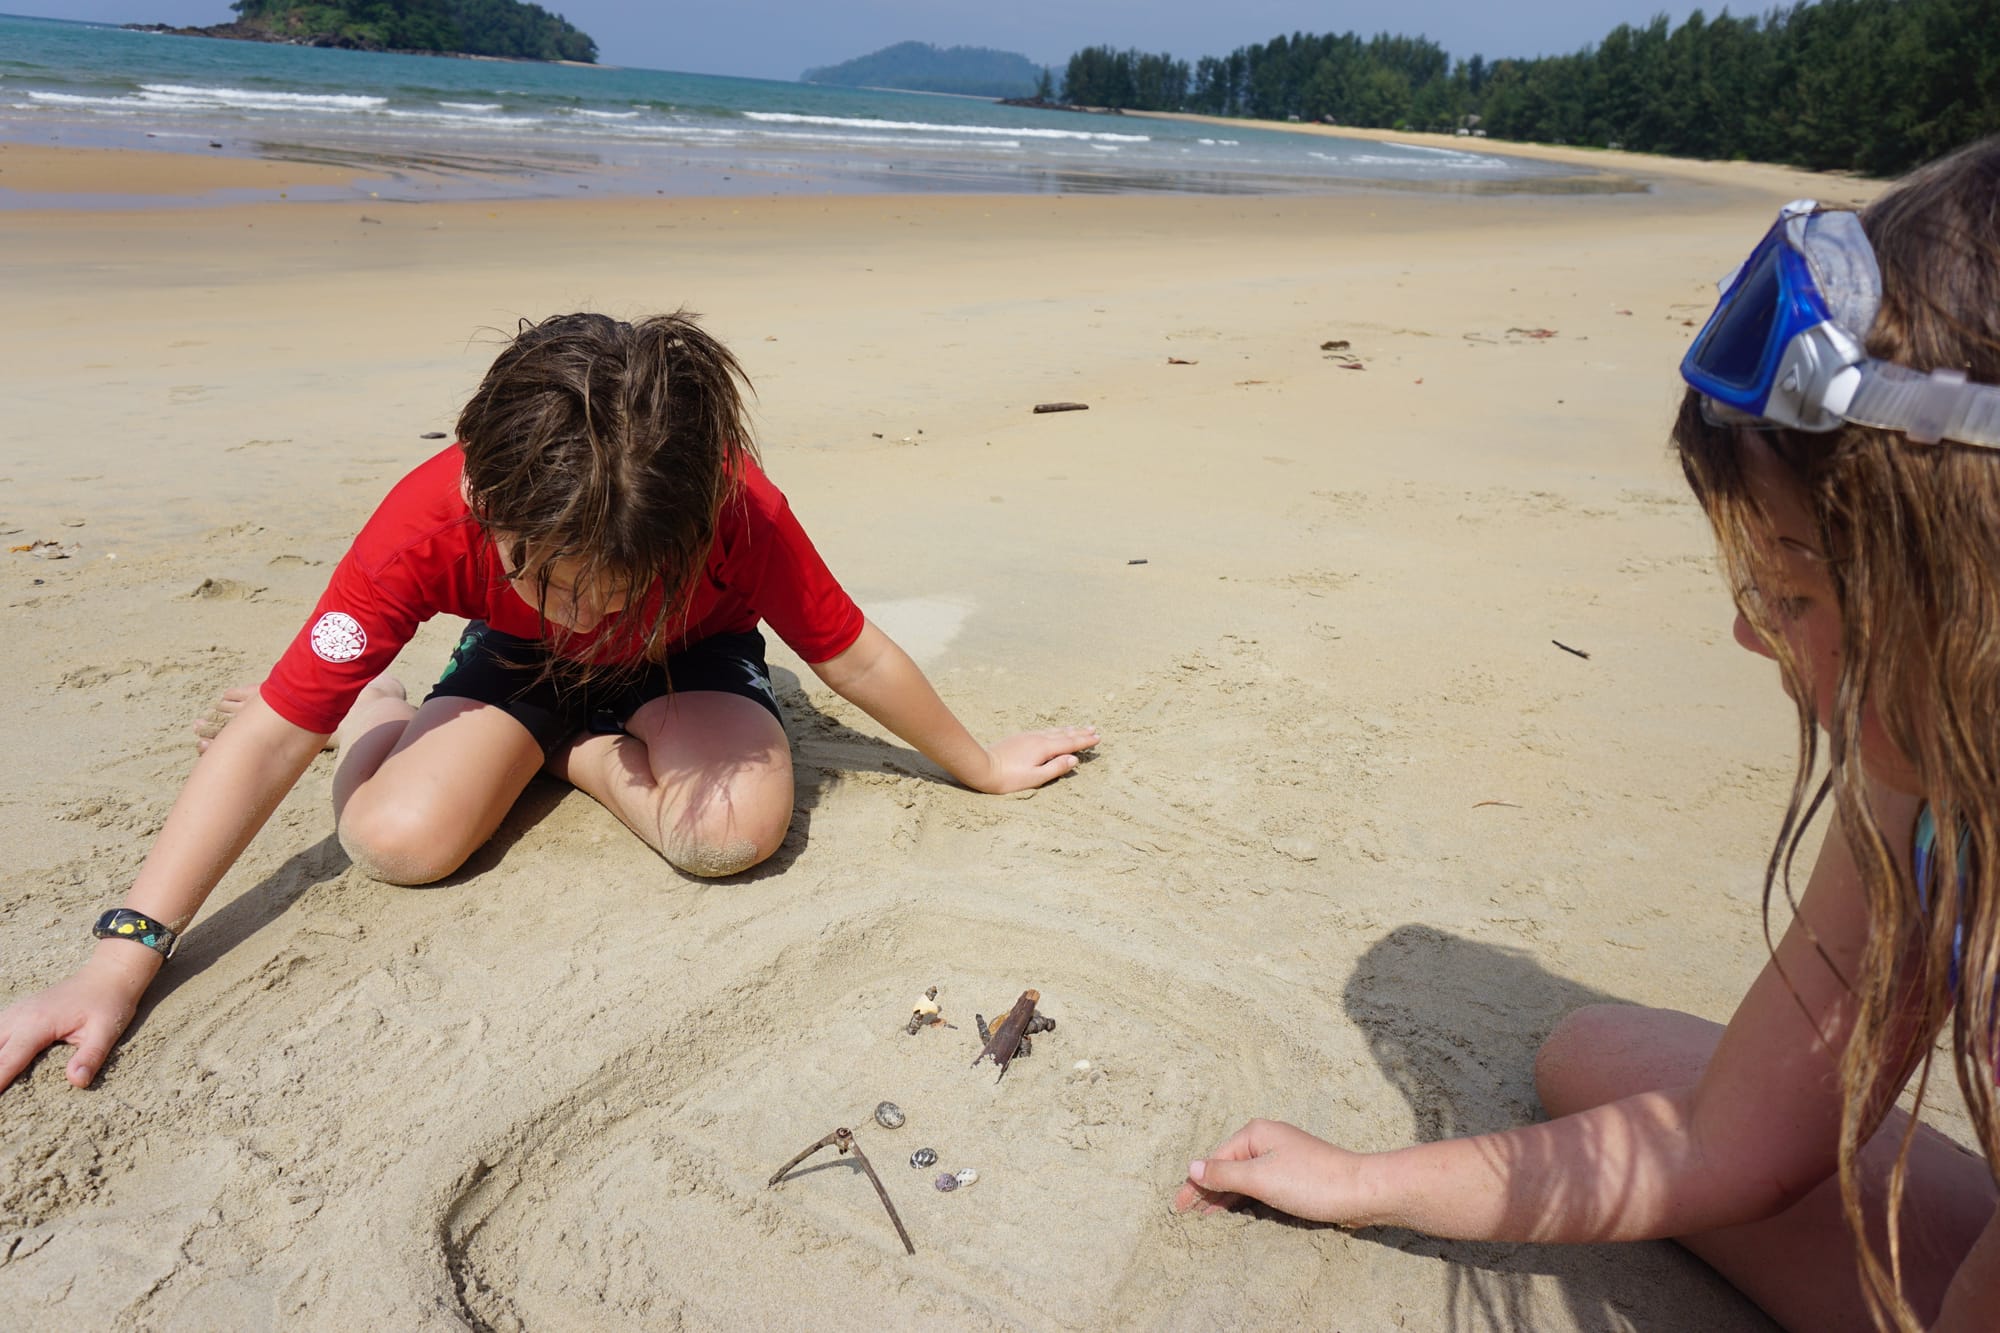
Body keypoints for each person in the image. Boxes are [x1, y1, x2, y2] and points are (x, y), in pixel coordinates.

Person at [1176, 137, 2000, 1332]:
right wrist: (1362, 1183)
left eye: (1791, 594)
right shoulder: (1919, 779)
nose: (1743, 633)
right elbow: (1726, 1140)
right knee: (1589, 1056)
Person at [0, 311, 1098, 1096]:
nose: (589, 610)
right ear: (486, 500)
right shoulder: (430, 517)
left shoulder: (732, 507)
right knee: (393, 840)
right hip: (513, 667)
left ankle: (569, 753)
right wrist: (119, 959)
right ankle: (382, 704)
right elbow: (273, 734)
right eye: (556, 580)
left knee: (730, 834)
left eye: (620, 584)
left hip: (689, 660)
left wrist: (979, 765)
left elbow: (849, 654)